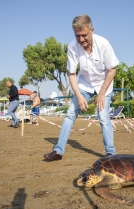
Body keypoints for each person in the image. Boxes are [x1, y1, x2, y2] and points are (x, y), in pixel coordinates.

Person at [44, 14, 119, 161]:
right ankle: (58, 151)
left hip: (104, 84)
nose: (81, 39)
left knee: (103, 117)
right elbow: (72, 74)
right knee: (70, 114)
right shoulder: (72, 47)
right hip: (84, 84)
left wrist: (102, 93)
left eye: (84, 35)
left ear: (92, 30)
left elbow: (112, 70)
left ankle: (111, 153)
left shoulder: (103, 44)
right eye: (77, 36)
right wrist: (78, 96)